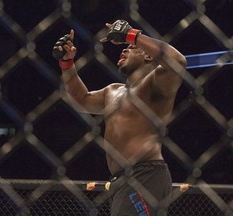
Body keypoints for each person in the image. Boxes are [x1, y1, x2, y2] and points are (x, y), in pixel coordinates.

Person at [53, 20, 187, 216]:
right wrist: (67, 63)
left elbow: (178, 61)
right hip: (121, 179)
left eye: (130, 49)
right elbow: (81, 100)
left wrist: (132, 35)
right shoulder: (112, 91)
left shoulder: (156, 84)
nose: (123, 51)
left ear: (148, 56)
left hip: (145, 175)